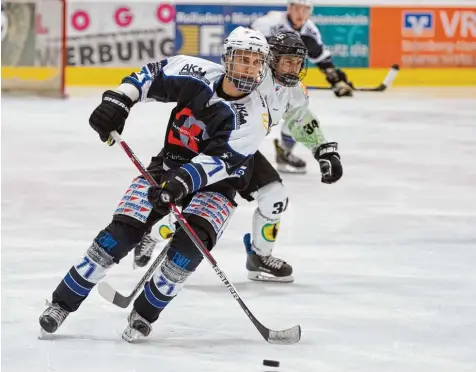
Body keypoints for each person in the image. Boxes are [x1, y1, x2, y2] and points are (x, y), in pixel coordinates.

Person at [38, 26, 272, 342]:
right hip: (167, 167)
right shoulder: (197, 72)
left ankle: (144, 314)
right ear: (227, 59)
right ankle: (61, 304)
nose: (250, 68)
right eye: (243, 59)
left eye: (256, 62)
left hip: (217, 185)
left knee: (187, 252)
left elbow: (220, 162)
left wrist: (179, 185)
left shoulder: (254, 116)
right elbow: (152, 75)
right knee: (118, 236)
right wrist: (119, 100)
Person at [133, 31, 343, 283]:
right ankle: (154, 234)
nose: (292, 67)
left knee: (274, 196)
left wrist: (323, 149)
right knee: (190, 208)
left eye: (297, 62)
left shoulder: (294, 90)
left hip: (242, 151)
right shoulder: (250, 76)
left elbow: (300, 119)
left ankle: (259, 257)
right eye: (286, 60)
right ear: (271, 59)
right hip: (205, 146)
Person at [251, 0, 353, 173]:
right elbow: (248, 48)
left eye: (305, 10)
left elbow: (321, 58)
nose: (300, 14)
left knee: (298, 111)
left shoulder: (310, 30)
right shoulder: (268, 23)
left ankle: (284, 152)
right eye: (297, 8)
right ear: (289, 8)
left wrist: (336, 80)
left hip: (283, 81)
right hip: (258, 80)